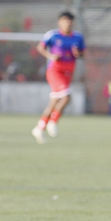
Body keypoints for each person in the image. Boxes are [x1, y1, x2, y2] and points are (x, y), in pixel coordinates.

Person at [31, 11, 84, 144]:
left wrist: (78, 54)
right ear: (59, 22)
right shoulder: (52, 35)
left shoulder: (78, 37)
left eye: (69, 21)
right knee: (66, 97)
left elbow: (82, 53)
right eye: (64, 21)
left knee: (54, 101)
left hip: (68, 73)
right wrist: (51, 56)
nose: (67, 24)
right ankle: (53, 122)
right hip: (55, 71)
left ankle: (39, 127)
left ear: (72, 22)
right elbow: (40, 48)